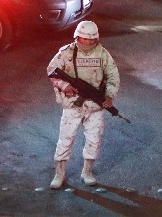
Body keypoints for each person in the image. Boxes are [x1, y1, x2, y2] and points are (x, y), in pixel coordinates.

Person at [47, 20, 120, 189]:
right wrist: (65, 86)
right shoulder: (66, 52)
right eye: (83, 39)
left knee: (94, 140)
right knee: (65, 140)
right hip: (72, 105)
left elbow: (113, 76)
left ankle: (87, 172)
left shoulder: (102, 54)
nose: (87, 42)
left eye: (91, 39)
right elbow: (52, 70)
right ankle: (59, 174)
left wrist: (109, 96)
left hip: (95, 107)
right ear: (76, 37)